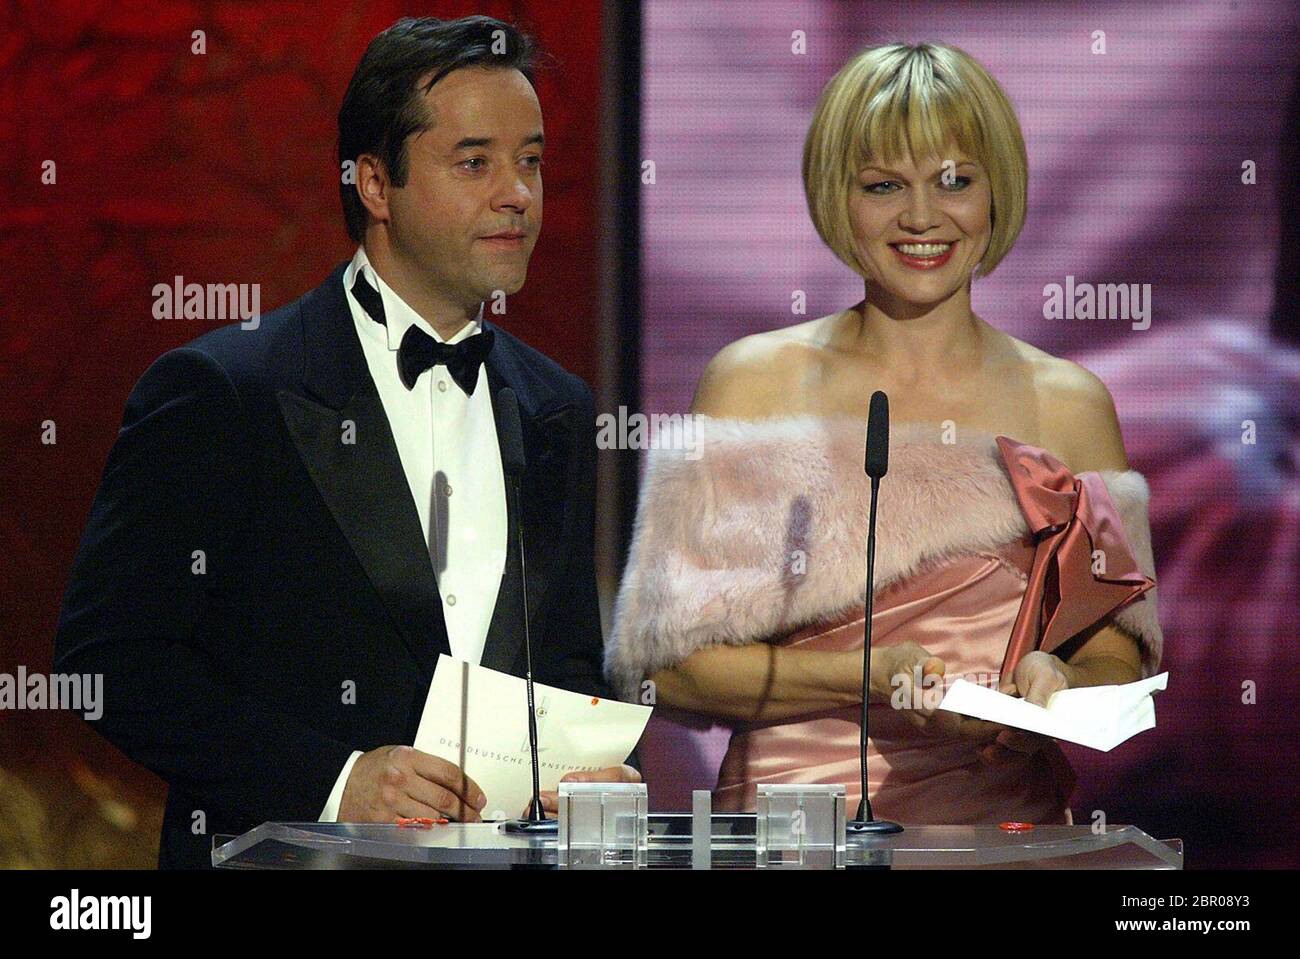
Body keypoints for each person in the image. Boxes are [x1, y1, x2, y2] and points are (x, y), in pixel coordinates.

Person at [54, 15, 636, 870]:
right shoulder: (225, 391)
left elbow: (566, 666)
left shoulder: (556, 407)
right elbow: (110, 664)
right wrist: (335, 779)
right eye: (475, 161)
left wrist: (597, 772)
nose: (518, 192)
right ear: (374, 183)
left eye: (532, 160)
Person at [606, 41, 1162, 823]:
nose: (923, 216)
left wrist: (1058, 678)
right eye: (884, 185)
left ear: (998, 191)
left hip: (1003, 833)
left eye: (955, 181)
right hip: (792, 831)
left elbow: (1117, 652)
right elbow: (666, 667)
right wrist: (871, 675)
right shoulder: (752, 382)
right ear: (840, 197)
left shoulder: (1070, 404)